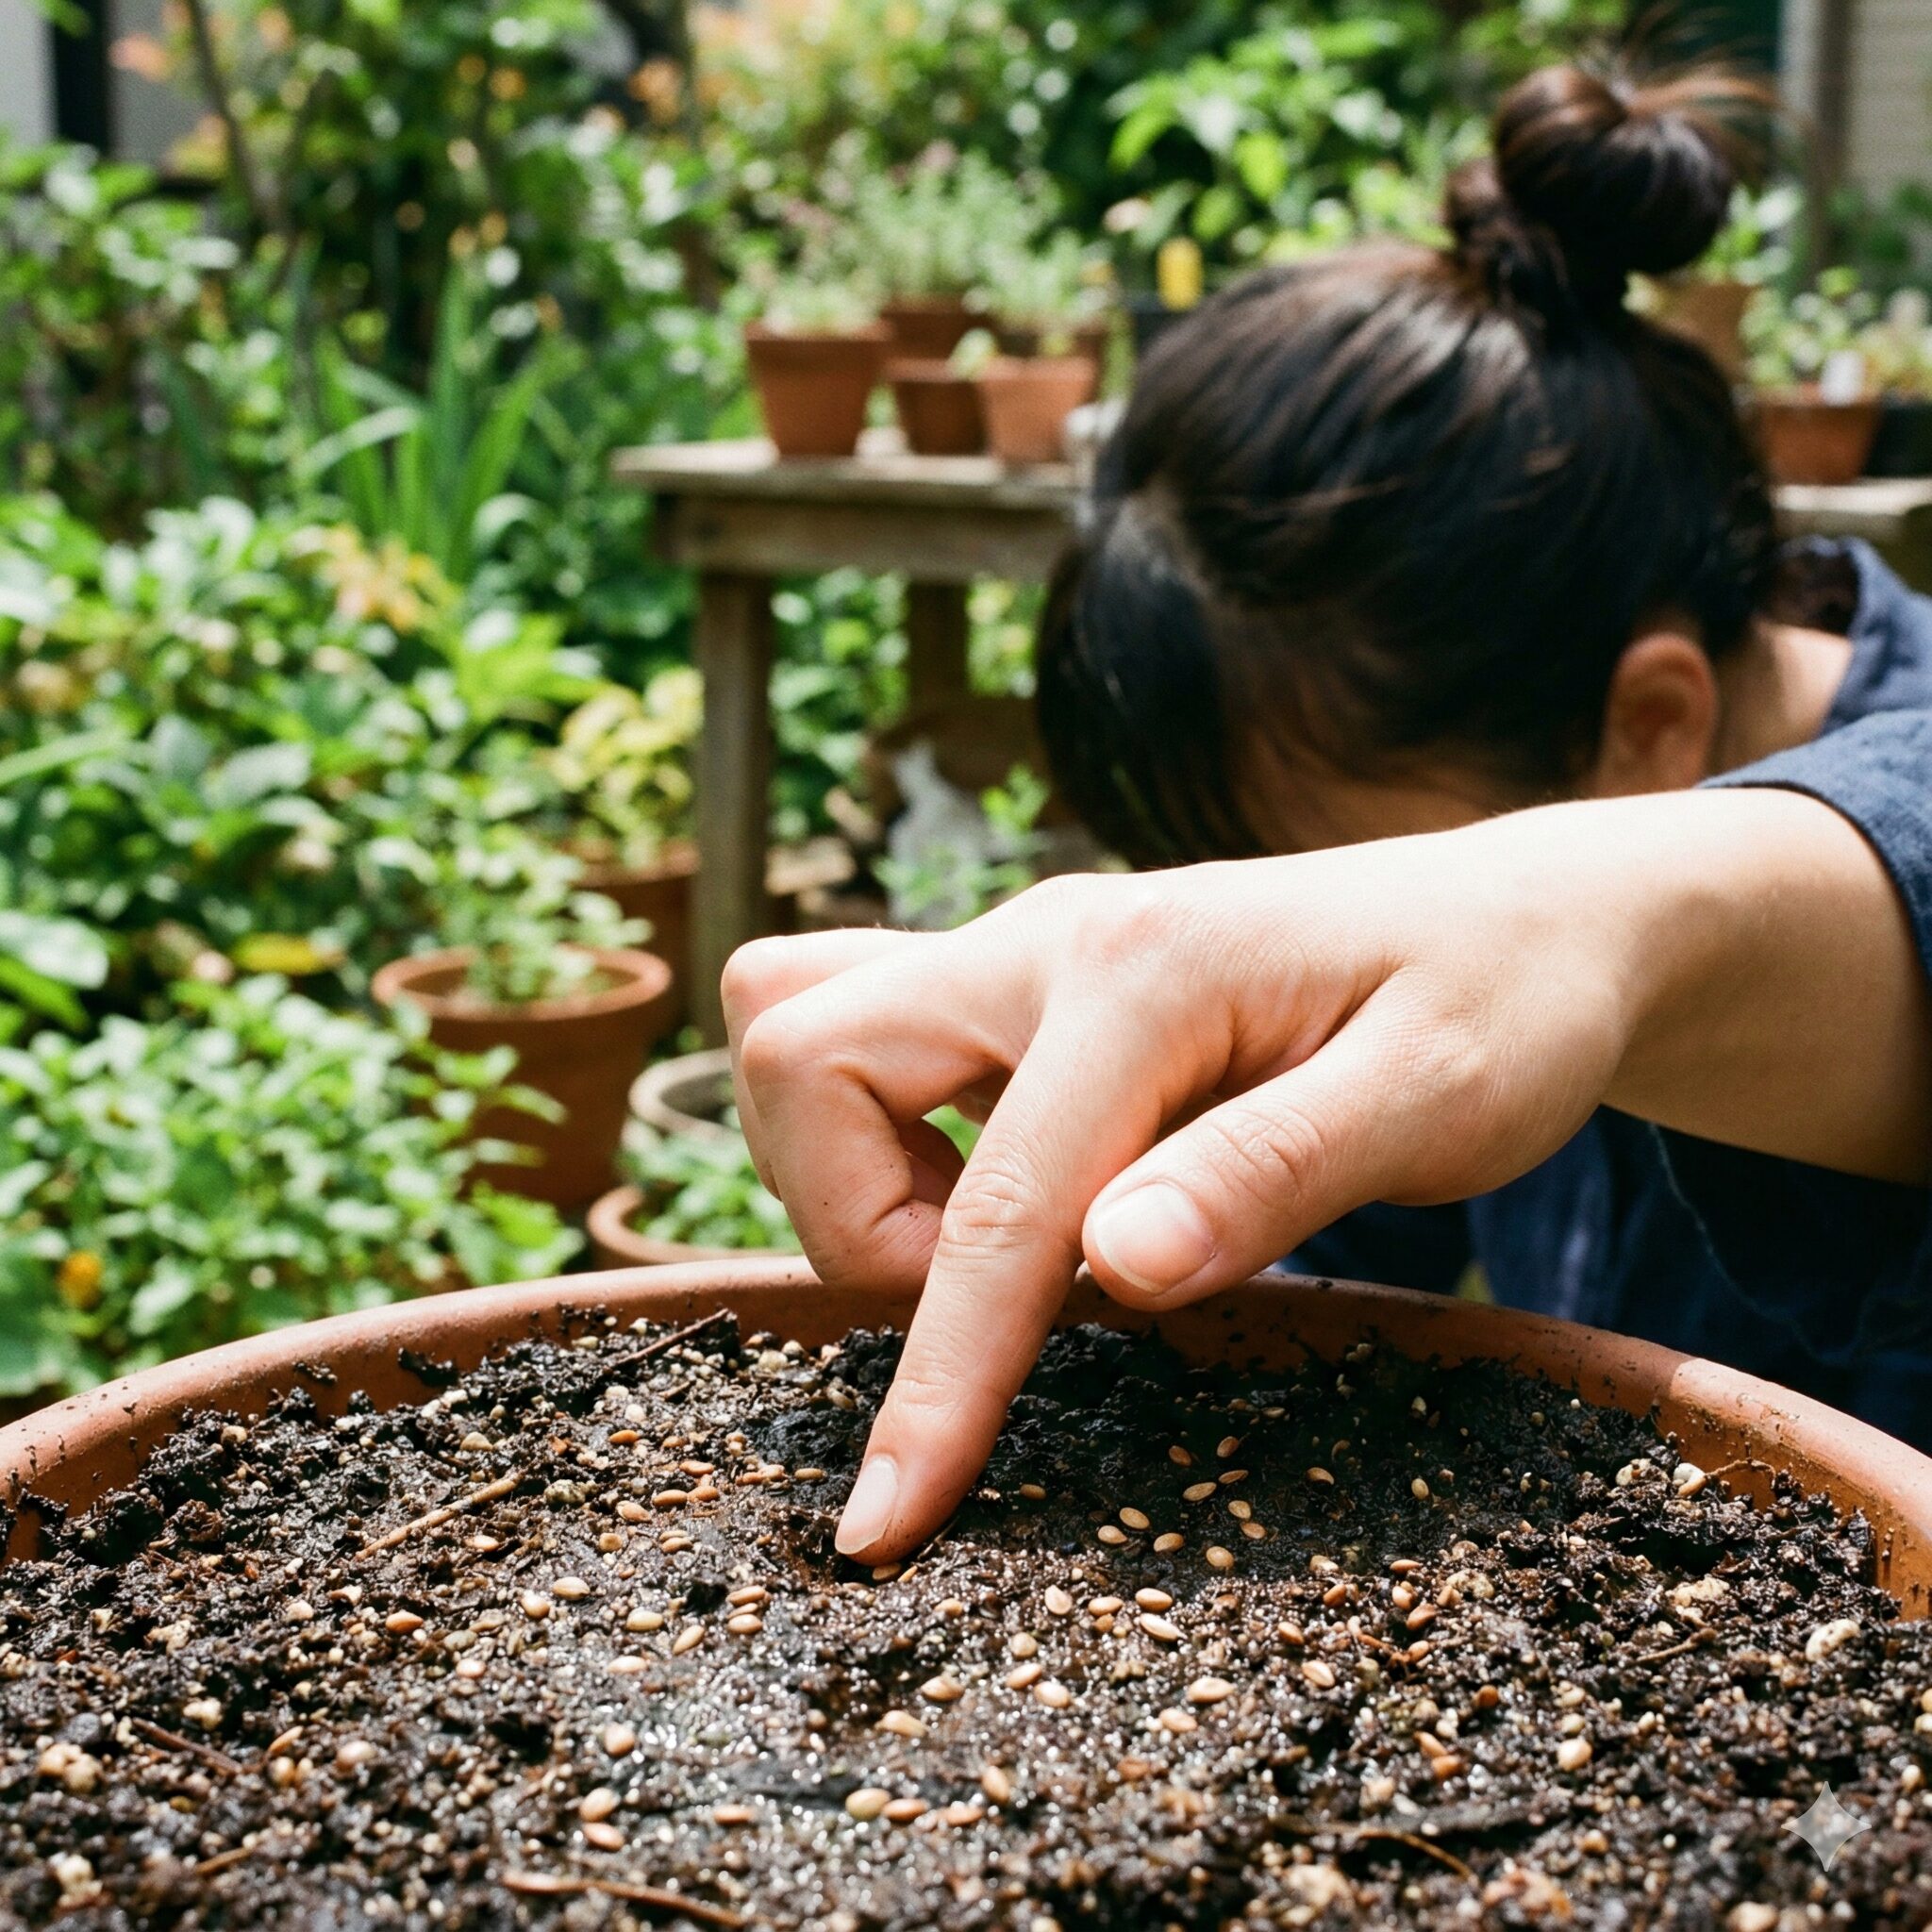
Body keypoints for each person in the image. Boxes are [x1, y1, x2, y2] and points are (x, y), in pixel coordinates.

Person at [724, 62, 1932, 1564]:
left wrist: (1574, 912)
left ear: (1652, 725)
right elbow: (1324, 1270)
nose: (1271, 927)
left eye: (1320, 884)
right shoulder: (1552, 754)